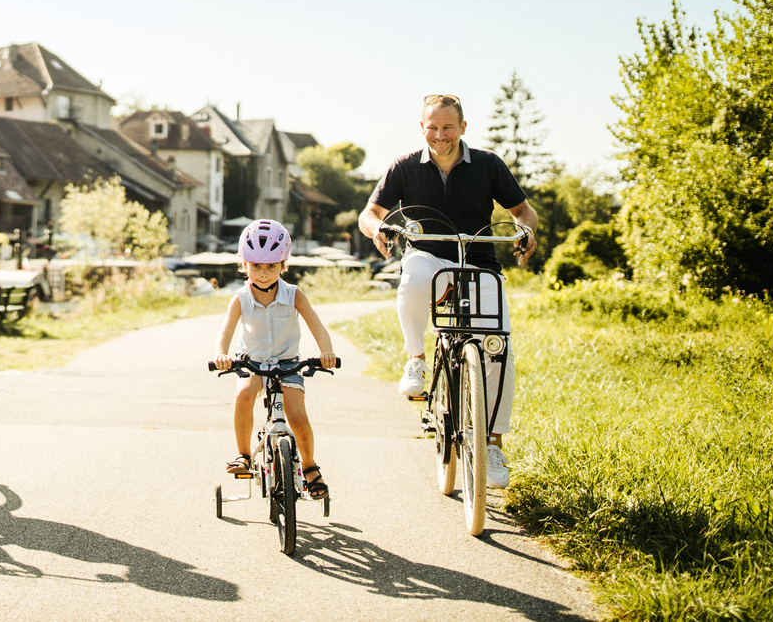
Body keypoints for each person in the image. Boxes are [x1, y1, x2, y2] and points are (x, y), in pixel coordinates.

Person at [357, 93, 538, 488]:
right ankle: (417, 359)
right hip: (428, 256)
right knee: (415, 277)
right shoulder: (404, 167)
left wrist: (527, 231)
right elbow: (369, 214)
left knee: (498, 351)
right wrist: (379, 229)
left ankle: (492, 444)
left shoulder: (488, 164)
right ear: (422, 128)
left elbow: (523, 211)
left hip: (480, 263)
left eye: (448, 127)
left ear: (463, 128)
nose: (440, 135)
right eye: (433, 127)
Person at [213, 219, 338, 501]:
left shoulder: (294, 295)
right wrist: (221, 355)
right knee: (244, 396)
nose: (264, 273)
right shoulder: (240, 298)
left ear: (283, 265)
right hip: (253, 363)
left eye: (271, 266)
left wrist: (326, 352)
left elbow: (317, 326)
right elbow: (226, 331)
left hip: (287, 364)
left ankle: (309, 466)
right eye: (256, 265)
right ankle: (244, 454)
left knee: (297, 417)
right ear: (244, 264)